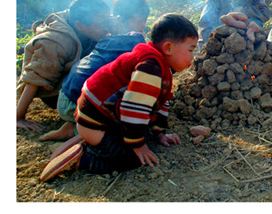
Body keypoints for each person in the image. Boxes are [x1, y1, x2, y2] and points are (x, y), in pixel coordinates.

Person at [39, 13, 198, 181]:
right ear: (168, 48)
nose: (193, 57)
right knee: (131, 157)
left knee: (140, 137)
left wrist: (159, 133)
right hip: (96, 119)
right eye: (191, 49)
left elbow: (158, 103)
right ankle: (82, 158)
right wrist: (138, 145)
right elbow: (133, 108)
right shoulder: (150, 67)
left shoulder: (160, 67)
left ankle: (88, 139)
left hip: (105, 115)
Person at [39, 0, 150, 141]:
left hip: (65, 95)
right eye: (141, 21)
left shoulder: (108, 40)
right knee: (126, 122)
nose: (143, 26)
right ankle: (76, 131)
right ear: (118, 20)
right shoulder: (133, 43)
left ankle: (72, 124)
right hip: (76, 102)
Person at [16, 0, 111, 132]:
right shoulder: (57, 42)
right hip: (56, 93)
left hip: (72, 78)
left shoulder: (86, 23)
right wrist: (18, 117)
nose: (107, 29)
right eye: (102, 25)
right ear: (80, 26)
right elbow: (35, 78)